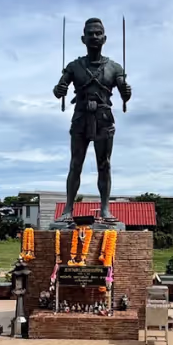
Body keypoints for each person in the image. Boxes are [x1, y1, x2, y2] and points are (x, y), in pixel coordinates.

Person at [53, 18, 132, 222]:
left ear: (104, 38)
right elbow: (58, 89)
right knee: (75, 164)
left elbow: (125, 93)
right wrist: (59, 90)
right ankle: (68, 209)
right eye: (90, 33)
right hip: (80, 118)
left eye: (98, 33)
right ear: (83, 38)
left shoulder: (114, 68)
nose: (94, 37)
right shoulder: (74, 66)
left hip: (104, 119)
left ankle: (105, 209)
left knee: (104, 164)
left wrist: (126, 92)